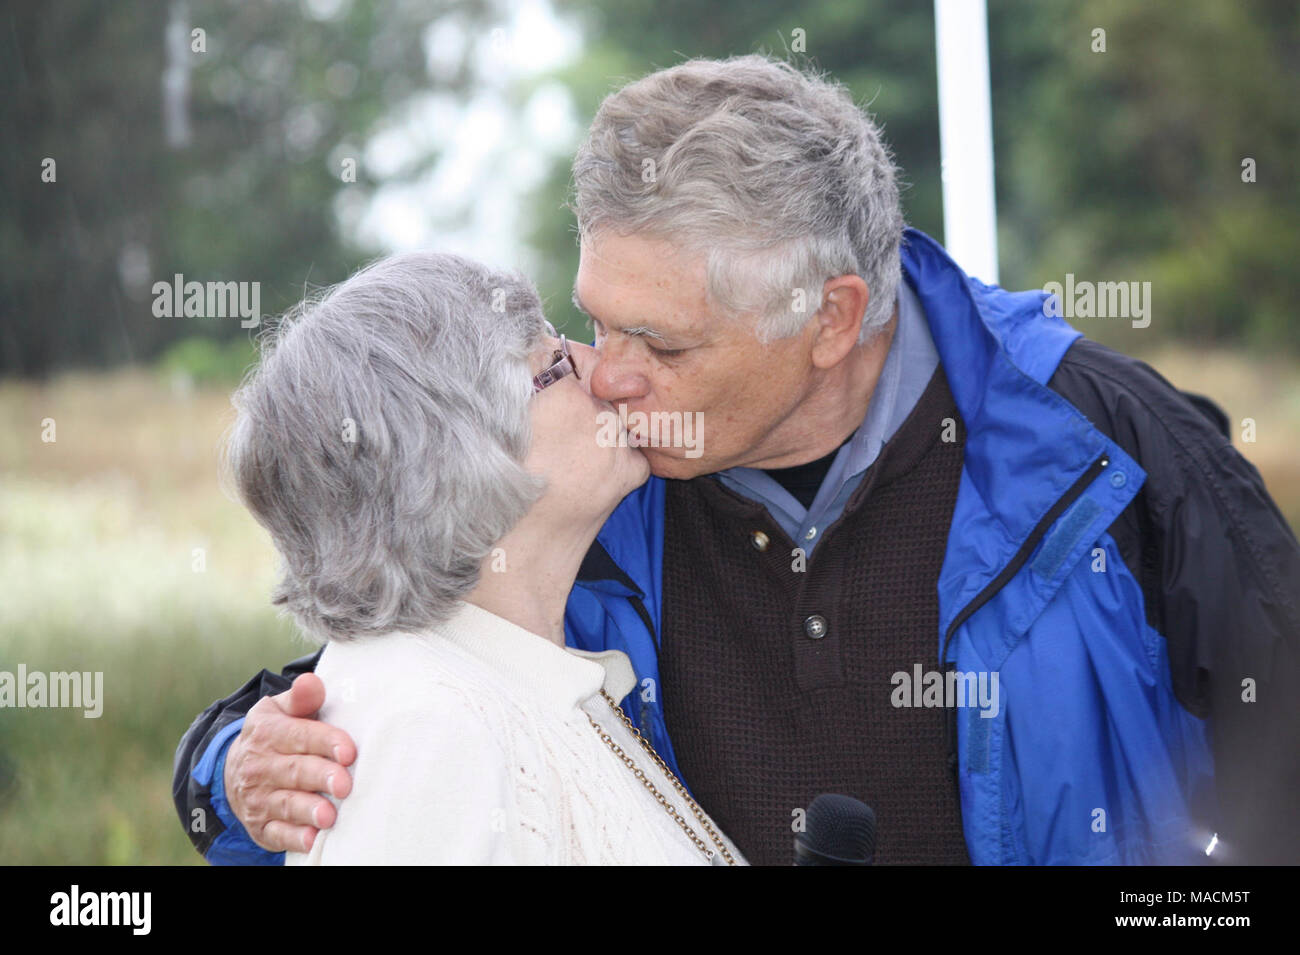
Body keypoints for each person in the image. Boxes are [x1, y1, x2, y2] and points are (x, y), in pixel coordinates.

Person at [175, 55, 1300, 866]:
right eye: (595, 321)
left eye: (658, 344)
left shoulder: (1104, 443)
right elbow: (390, 659)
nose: (606, 374)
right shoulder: (585, 479)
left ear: (829, 318)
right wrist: (222, 769)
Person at [211, 251, 745, 865]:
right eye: (558, 361)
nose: (600, 371)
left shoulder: (510, 680)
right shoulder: (428, 726)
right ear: (465, 448)